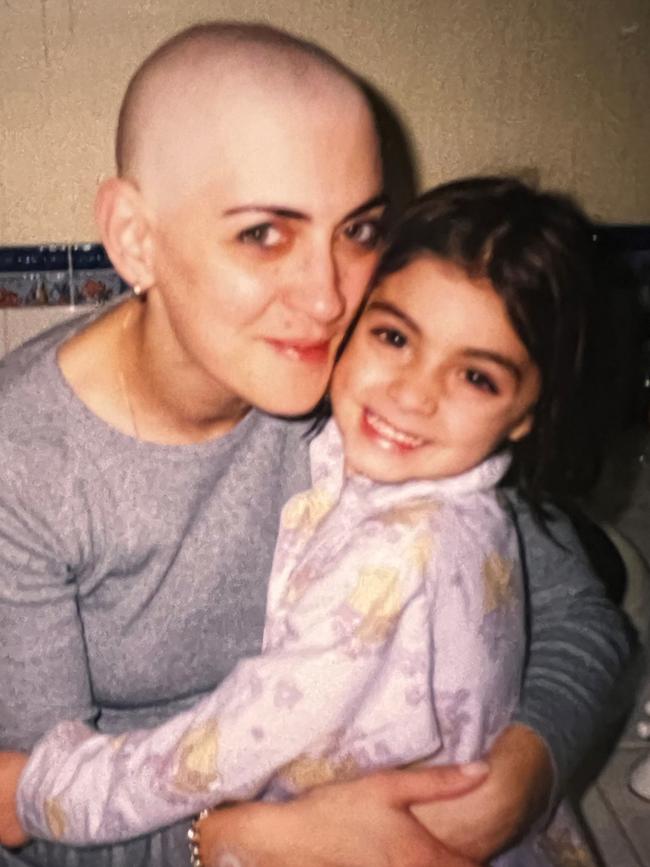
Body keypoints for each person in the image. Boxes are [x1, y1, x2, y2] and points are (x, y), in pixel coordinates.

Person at [0, 22, 631, 867]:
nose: (330, 296)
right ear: (134, 238)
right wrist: (241, 842)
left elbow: (582, 613)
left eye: (360, 230)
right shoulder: (27, 467)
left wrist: (518, 778)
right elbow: (32, 808)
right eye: (265, 232)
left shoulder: (377, 379)